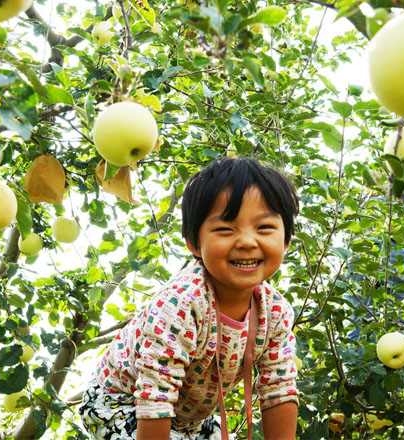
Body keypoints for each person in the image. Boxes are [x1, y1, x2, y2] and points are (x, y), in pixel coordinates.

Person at [79, 156, 300, 440]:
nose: (247, 241)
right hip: (121, 405)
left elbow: (279, 388)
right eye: (225, 229)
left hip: (188, 420)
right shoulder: (181, 305)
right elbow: (154, 397)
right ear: (194, 243)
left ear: (286, 240)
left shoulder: (276, 312)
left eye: (264, 228)